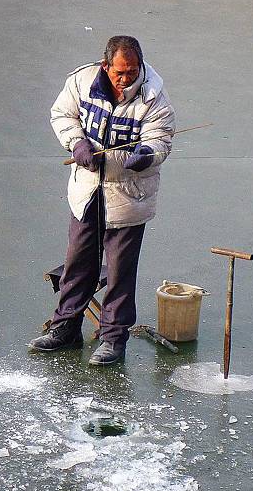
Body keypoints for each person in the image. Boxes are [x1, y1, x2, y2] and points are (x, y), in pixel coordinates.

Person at [29, 36, 175, 365]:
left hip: (128, 196)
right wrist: (77, 144)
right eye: (119, 73)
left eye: (132, 72)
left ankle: (113, 339)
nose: (126, 79)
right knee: (78, 262)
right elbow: (62, 115)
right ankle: (65, 328)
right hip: (87, 190)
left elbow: (162, 137)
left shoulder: (153, 95)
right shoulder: (81, 82)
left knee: (120, 272)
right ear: (105, 66)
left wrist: (146, 155)